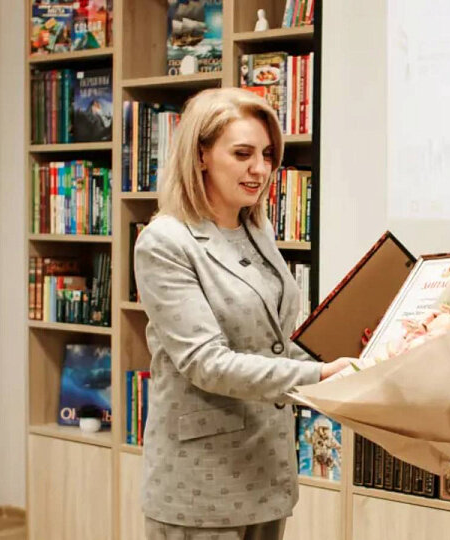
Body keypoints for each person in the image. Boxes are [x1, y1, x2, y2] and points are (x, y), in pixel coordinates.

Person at [134, 87, 350, 540]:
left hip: (265, 470)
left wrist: (348, 361)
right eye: (243, 153)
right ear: (200, 156)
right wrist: (318, 376)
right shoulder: (165, 242)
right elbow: (205, 363)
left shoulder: (255, 227)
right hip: (200, 488)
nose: (261, 169)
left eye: (268, 155)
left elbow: (274, 342)